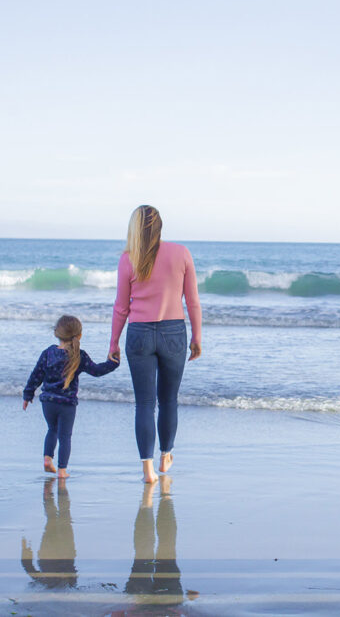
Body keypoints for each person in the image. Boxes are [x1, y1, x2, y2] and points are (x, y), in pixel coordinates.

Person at [109, 205, 202, 483]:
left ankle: (147, 469)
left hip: (138, 334)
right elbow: (193, 301)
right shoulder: (181, 253)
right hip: (173, 332)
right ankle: (165, 455)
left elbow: (120, 307)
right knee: (168, 400)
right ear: (160, 226)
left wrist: (113, 342)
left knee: (144, 403)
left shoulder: (128, 258)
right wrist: (197, 336)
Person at [23, 314, 120, 478]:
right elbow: (97, 371)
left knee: (52, 429)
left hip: (48, 402)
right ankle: (62, 471)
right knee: (65, 436)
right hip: (67, 404)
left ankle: (47, 459)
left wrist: (28, 394)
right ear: (79, 335)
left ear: (56, 333)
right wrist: (114, 363)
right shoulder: (79, 355)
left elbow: (36, 375)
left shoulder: (48, 353)